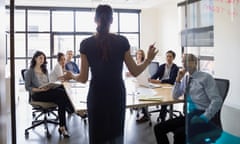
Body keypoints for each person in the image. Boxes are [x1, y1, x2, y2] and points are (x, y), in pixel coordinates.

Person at [62, 4, 158, 144]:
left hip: (96, 96)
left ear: (95, 20)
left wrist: (71, 75)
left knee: (96, 137)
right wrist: (148, 59)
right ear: (112, 20)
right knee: (116, 136)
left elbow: (83, 78)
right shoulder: (122, 41)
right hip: (116, 95)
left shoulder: (86, 44)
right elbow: (135, 71)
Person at [154, 53, 222, 144]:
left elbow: (217, 100)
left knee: (179, 134)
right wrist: (178, 79)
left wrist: (204, 118)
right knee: (158, 128)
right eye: (183, 61)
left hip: (202, 113)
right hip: (190, 115)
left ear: (195, 63)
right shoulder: (186, 78)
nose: (184, 63)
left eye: (187, 61)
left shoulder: (205, 77)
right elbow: (175, 96)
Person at [24, 51, 74, 138]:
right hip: (37, 94)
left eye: (43, 58)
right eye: (40, 58)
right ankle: (72, 109)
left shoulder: (44, 70)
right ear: (35, 58)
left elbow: (47, 82)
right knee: (61, 93)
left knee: (61, 94)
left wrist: (50, 86)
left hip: (46, 91)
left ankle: (62, 127)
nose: (42, 60)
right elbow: (27, 87)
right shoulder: (30, 72)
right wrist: (39, 89)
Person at [141, 50, 179, 123]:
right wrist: (151, 79)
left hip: (170, 87)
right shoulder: (162, 66)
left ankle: (162, 118)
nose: (168, 58)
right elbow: (156, 75)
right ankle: (145, 115)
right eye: (167, 56)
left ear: (173, 58)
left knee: (164, 100)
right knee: (145, 93)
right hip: (161, 86)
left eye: (170, 56)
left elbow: (171, 80)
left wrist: (160, 81)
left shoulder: (175, 68)